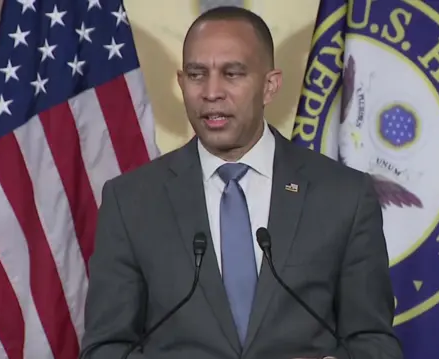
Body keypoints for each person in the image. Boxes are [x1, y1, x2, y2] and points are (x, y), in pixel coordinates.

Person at [79, 6, 402, 359]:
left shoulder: (344, 196)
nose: (211, 92)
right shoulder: (131, 202)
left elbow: (374, 342)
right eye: (197, 74)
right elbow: (106, 348)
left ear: (269, 85)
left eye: (232, 74)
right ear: (181, 83)